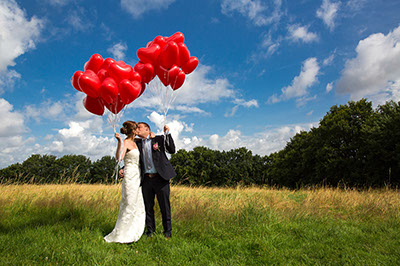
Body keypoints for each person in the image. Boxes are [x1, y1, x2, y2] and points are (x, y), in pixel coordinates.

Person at [104, 121, 145, 243]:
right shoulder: (126, 142)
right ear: (133, 131)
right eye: (137, 128)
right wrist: (119, 142)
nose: (139, 130)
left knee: (137, 203)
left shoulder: (136, 142)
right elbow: (119, 158)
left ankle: (133, 232)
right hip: (129, 175)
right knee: (129, 203)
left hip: (138, 175)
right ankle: (121, 234)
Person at [135, 122, 176, 238]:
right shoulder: (137, 143)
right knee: (148, 206)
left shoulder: (158, 139)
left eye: (139, 127)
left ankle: (167, 232)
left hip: (160, 178)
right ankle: (150, 231)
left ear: (147, 129)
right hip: (147, 179)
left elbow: (172, 150)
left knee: (164, 206)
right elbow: (133, 159)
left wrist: (167, 133)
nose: (137, 129)